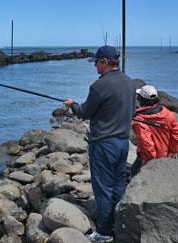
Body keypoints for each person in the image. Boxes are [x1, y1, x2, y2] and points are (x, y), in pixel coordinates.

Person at [64, 45, 135, 242]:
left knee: (103, 188)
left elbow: (85, 112)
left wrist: (72, 106)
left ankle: (104, 232)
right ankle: (118, 222)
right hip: (123, 143)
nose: (95, 66)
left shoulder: (99, 86)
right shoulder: (129, 82)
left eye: (96, 62)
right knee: (118, 184)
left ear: (104, 62)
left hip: (104, 144)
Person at [131, 85, 178, 177]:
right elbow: (177, 134)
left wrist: (152, 161)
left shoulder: (139, 120)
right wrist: (173, 151)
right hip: (167, 153)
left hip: (148, 157)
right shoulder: (167, 113)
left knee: (135, 171)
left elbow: (146, 143)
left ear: (140, 99)